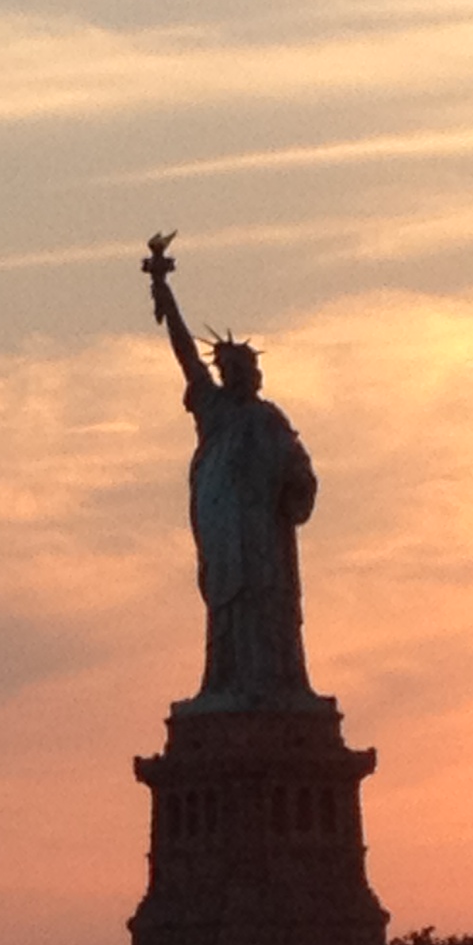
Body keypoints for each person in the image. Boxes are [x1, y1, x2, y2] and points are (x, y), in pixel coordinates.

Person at [143, 236, 319, 708]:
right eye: (228, 368)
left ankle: (276, 686)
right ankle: (228, 683)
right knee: (230, 609)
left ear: (255, 375)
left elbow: (300, 474)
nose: (236, 375)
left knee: (269, 605)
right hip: (227, 534)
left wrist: (296, 485)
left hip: (264, 537)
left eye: (243, 368)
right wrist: (163, 291)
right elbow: (184, 354)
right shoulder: (214, 411)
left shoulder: (269, 421)